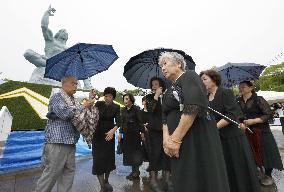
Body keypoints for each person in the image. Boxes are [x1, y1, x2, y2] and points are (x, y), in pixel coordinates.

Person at [160, 52, 230, 192]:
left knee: (198, 175)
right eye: (161, 66)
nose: (163, 68)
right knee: (183, 177)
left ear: (178, 63)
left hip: (194, 137)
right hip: (177, 142)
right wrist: (166, 139)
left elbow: (193, 106)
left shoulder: (190, 76)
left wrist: (175, 139)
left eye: (165, 63)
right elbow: (164, 117)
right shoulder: (168, 91)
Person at [200, 70, 260, 192]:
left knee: (239, 169)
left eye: (204, 79)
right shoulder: (205, 98)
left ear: (214, 79)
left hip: (233, 138)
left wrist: (213, 128)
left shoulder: (225, 92)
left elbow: (232, 114)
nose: (202, 82)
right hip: (218, 140)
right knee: (227, 170)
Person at [35, 76, 92, 192]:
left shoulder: (73, 100)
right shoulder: (57, 97)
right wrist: (83, 106)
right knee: (51, 174)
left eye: (76, 84)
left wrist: (89, 102)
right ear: (63, 83)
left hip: (70, 142)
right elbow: (65, 113)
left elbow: (79, 116)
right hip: (57, 142)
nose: (76, 86)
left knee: (68, 173)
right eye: (73, 83)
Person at [238, 81, 283, 185]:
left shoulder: (259, 99)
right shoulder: (238, 101)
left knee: (266, 152)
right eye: (240, 87)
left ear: (251, 88)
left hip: (262, 131)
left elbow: (268, 115)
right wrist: (241, 123)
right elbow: (238, 116)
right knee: (252, 153)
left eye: (243, 87)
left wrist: (254, 121)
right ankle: (258, 172)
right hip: (248, 132)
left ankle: (268, 174)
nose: (241, 89)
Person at [92, 87, 121, 192]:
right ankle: (102, 187)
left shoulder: (116, 107)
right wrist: (93, 98)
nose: (107, 98)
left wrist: (112, 131)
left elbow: (119, 122)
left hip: (109, 136)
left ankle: (106, 180)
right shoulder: (98, 104)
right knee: (98, 160)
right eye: (106, 95)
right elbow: (91, 114)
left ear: (113, 97)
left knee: (108, 160)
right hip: (97, 135)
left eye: (109, 96)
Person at [145, 77, 171, 192]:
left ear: (161, 86)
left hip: (166, 130)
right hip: (154, 131)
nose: (154, 86)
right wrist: (156, 96)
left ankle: (167, 180)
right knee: (154, 154)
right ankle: (153, 179)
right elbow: (150, 110)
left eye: (156, 84)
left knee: (167, 154)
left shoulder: (167, 97)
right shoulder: (149, 98)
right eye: (153, 84)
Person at [119, 93, 144, 180]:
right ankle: (134, 172)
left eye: (126, 99)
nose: (125, 101)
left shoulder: (136, 109)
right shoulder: (123, 110)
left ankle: (136, 172)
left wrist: (142, 133)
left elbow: (141, 122)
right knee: (129, 154)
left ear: (131, 100)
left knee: (135, 153)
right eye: (124, 99)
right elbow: (122, 123)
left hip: (135, 135)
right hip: (126, 135)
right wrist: (120, 133)